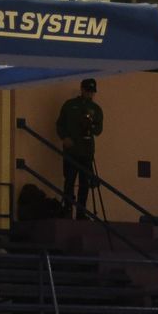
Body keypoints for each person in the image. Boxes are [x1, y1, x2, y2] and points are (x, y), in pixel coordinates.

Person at [56, 77, 103, 218]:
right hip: (71, 150)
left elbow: (99, 129)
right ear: (82, 89)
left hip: (87, 151)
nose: (90, 94)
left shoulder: (96, 109)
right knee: (69, 180)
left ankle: (81, 213)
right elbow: (60, 124)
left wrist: (90, 126)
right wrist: (64, 138)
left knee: (85, 183)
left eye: (92, 92)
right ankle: (67, 209)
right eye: (87, 91)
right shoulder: (70, 105)